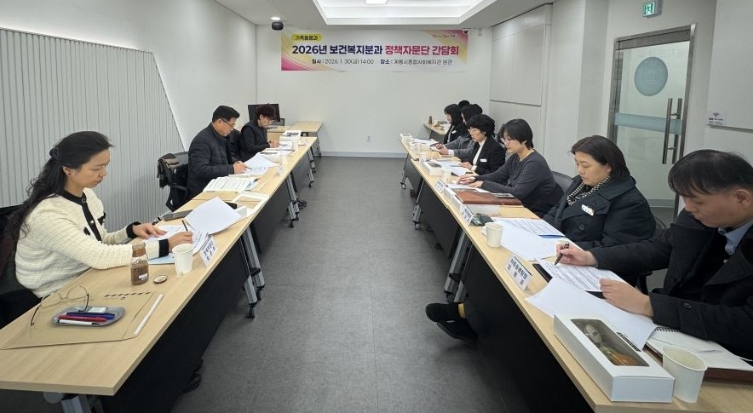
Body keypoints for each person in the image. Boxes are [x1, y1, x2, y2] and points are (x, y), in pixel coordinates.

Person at [557, 150, 753, 360]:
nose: (688, 208)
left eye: (698, 201)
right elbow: (656, 249)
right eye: (684, 198)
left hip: (727, 353)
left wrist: (649, 305)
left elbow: (745, 324)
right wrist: (591, 257)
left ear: (741, 198)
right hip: (673, 331)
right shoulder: (698, 217)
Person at [10, 132, 192, 298]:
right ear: (68, 170)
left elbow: (100, 241)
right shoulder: (48, 216)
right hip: (55, 294)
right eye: (96, 168)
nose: (103, 174)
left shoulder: (87, 194)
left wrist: (130, 231)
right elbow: (99, 256)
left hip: (89, 276)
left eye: (105, 166)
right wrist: (166, 245)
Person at [543, 135, 655, 249]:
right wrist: (541, 230)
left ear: (609, 166)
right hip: (558, 244)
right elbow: (558, 209)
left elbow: (612, 247)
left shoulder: (630, 203)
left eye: (585, 165)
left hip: (582, 255)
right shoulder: (580, 182)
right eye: (577, 164)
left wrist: (565, 247)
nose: (580, 170)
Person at [457, 119, 562, 217]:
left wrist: (484, 184)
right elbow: (498, 175)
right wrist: (474, 179)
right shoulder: (516, 156)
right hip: (519, 204)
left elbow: (518, 193)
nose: (506, 143)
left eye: (509, 139)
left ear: (524, 140)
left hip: (535, 211)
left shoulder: (534, 162)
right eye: (504, 139)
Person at [186, 105, 247, 199]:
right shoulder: (202, 141)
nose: (232, 129)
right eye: (231, 125)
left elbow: (224, 158)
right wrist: (231, 169)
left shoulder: (222, 136)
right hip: (204, 191)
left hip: (219, 183)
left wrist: (235, 162)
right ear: (220, 122)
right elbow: (201, 170)